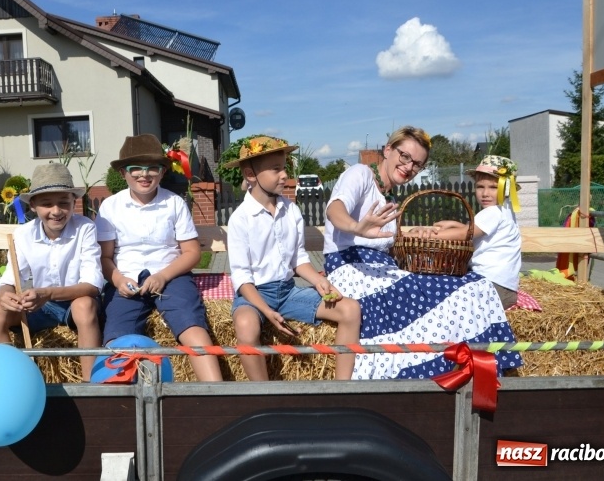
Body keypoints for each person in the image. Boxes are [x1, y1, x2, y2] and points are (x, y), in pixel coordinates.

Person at [323, 126, 522, 380]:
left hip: (379, 266)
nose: (409, 166)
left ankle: (473, 367)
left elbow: (387, 244)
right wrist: (355, 227)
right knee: (442, 291)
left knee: (462, 287)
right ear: (387, 150)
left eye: (417, 164)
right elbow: (335, 209)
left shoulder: (389, 198)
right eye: (404, 156)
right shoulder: (360, 174)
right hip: (350, 265)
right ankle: (439, 370)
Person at [224, 136, 361, 380]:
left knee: (350, 309)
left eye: (284, 168)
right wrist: (266, 311)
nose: (284, 175)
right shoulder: (240, 219)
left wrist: (318, 281)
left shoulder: (292, 211)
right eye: (276, 169)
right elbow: (242, 278)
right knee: (246, 326)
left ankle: (342, 388)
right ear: (250, 174)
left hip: (288, 292)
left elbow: (298, 258)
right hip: (255, 294)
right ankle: (262, 396)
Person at [95, 134, 222, 382]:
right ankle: (118, 402)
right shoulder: (110, 207)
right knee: (117, 337)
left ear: (163, 172)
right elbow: (105, 257)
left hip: (171, 276)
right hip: (127, 280)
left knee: (191, 325)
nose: (145, 174)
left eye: (153, 168)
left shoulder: (174, 203)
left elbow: (192, 252)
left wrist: (164, 275)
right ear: (123, 173)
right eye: (136, 169)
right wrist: (118, 279)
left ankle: (215, 392)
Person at [0, 163, 104, 381]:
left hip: (73, 303)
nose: (56, 211)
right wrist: (5, 296)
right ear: (33, 206)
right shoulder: (22, 234)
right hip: (41, 306)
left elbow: (92, 286)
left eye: (63, 203)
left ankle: (91, 384)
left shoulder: (85, 228)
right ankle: (8, 383)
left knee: (84, 305)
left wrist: (48, 293)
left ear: (74, 202)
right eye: (47, 204)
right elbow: (8, 280)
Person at [409, 155, 522, 308]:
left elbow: (465, 234)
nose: (485, 193)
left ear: (506, 189)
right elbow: (474, 229)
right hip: (505, 287)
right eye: (480, 186)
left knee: (442, 294)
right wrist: (455, 224)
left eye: (493, 187)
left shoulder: (493, 212)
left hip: (491, 286)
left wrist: (424, 235)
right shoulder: (505, 210)